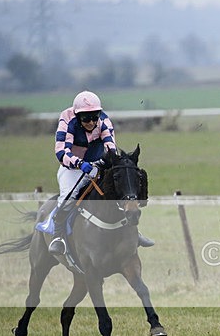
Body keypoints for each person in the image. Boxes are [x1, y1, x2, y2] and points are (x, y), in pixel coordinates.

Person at [49, 90, 154, 255]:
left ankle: (134, 232)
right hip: (72, 167)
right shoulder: (67, 120)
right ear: (77, 116)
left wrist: (111, 163)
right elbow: (61, 152)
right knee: (69, 194)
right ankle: (58, 236)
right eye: (86, 118)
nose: (91, 122)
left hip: (98, 163)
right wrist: (79, 163)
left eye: (94, 117)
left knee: (117, 191)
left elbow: (110, 146)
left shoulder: (104, 121)